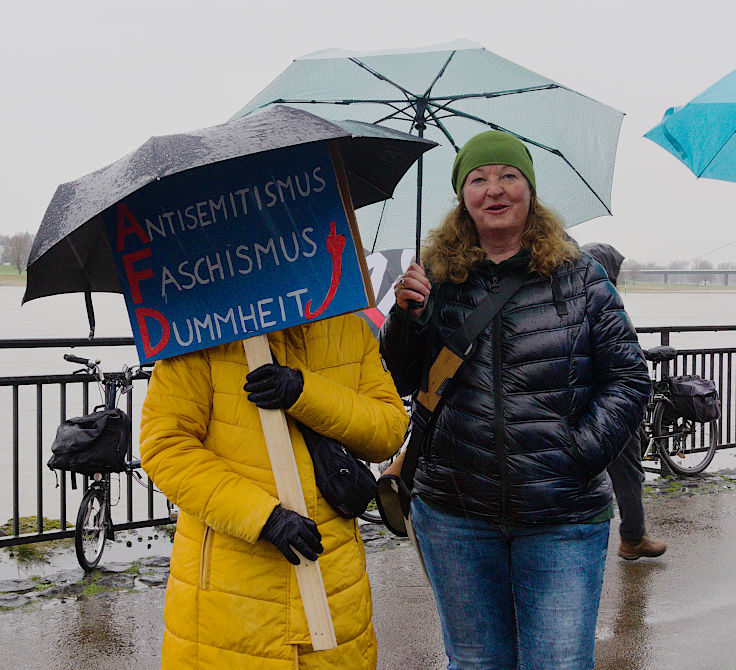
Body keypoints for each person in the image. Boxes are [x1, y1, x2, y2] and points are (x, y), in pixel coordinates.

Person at [379, 130, 651, 670]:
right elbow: (405, 380)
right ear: (462, 198)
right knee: (477, 662)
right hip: (455, 512)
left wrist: (577, 454)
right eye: (477, 179)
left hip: (562, 515)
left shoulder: (581, 278)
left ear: (530, 190)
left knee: (557, 661)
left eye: (508, 176)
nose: (494, 189)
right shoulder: (435, 278)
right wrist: (407, 320)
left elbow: (628, 379)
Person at [139, 316, 408, 669]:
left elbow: (388, 430)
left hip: (334, 589)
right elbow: (166, 448)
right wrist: (262, 517)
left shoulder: (348, 327)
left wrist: (304, 393)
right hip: (226, 602)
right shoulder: (199, 332)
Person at [581, 242, 667, 560]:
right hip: (609, 408)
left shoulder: (571, 298)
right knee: (629, 472)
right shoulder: (602, 300)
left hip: (581, 407)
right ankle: (632, 537)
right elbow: (618, 357)